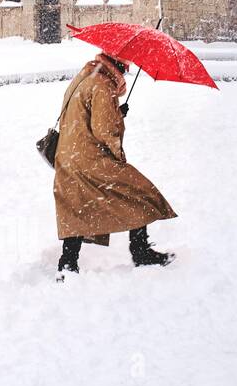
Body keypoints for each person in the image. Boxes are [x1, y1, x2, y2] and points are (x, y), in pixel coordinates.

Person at [53, 52, 176, 277]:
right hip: (89, 159)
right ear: (117, 63)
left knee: (77, 206)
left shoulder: (86, 75)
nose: (128, 70)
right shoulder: (103, 85)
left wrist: (116, 112)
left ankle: (68, 262)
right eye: (127, 65)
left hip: (68, 156)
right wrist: (118, 152)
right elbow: (105, 131)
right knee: (139, 192)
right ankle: (140, 251)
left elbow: (86, 115)